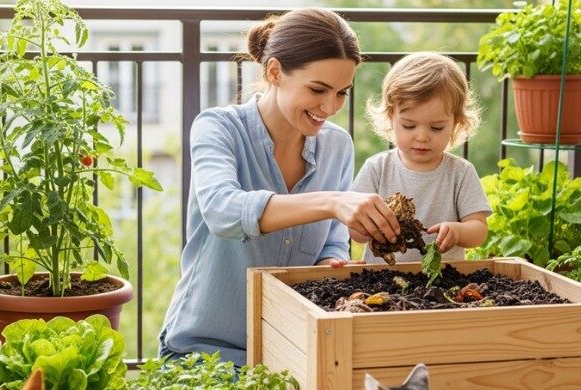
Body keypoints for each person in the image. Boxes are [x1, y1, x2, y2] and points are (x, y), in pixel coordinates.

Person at [157, 8, 401, 366]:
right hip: (204, 352)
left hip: (290, 350)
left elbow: (331, 242)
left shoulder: (337, 146)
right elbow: (223, 211)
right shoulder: (218, 128)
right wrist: (333, 201)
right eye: (318, 89)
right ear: (274, 71)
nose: (330, 106)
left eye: (341, 93)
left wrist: (333, 263)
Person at [351, 52, 490, 263]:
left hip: (441, 279)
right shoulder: (377, 168)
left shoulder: (460, 172)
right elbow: (355, 232)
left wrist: (458, 232)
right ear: (391, 118)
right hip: (380, 279)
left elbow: (479, 230)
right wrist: (368, 227)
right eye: (409, 126)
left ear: (456, 123)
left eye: (436, 127)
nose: (422, 137)